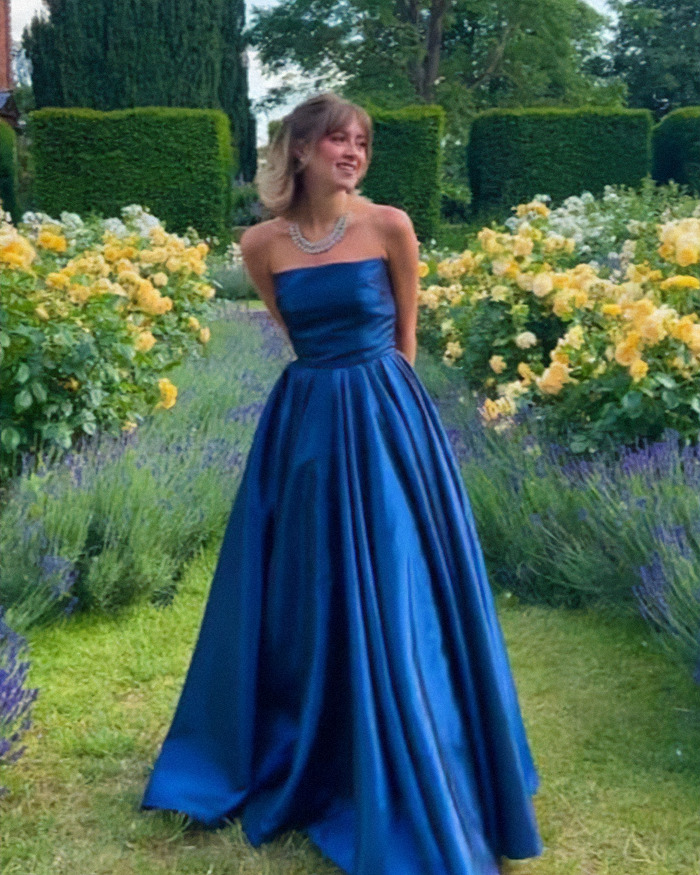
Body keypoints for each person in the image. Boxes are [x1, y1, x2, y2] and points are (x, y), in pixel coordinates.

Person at [141, 92, 543, 875]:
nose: (351, 153)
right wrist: (328, 394)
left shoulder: (390, 226)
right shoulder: (261, 244)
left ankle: (415, 750)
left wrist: (380, 410)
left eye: (360, 142)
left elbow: (405, 337)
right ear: (299, 151)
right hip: (305, 430)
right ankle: (317, 749)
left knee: (398, 585)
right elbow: (292, 332)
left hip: (388, 421)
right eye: (336, 141)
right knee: (305, 593)